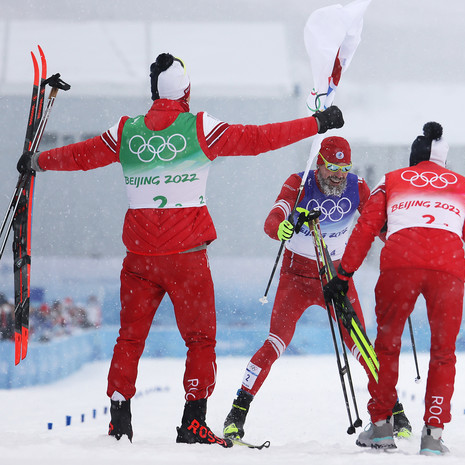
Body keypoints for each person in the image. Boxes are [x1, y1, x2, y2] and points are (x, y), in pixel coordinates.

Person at [17, 53, 344, 447]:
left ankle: (119, 419)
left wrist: (38, 161)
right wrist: (317, 124)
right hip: (187, 259)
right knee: (200, 339)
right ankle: (193, 420)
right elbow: (261, 139)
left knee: (129, 339)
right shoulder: (201, 127)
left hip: (139, 258)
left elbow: (80, 155)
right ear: (186, 90)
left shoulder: (126, 130)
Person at [323, 122, 465, 455]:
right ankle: (433, 435)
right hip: (447, 269)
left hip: (399, 265)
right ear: (444, 161)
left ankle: (381, 426)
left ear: (414, 157)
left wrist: (343, 276)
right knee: (443, 353)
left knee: (387, 346)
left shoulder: (391, 180)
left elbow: (366, 228)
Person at [222, 135, 412, 442]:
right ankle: (236, 413)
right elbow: (274, 218)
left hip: (335, 278)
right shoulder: (299, 183)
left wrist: (403, 244)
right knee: (275, 343)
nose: (338, 174)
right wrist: (279, 228)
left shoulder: (358, 187)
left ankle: (396, 412)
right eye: (332, 166)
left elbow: (379, 226)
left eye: (344, 167)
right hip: (295, 278)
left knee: (363, 347)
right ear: (319, 164)